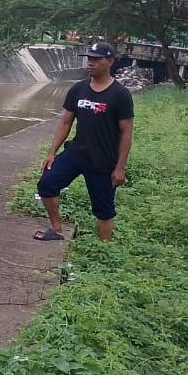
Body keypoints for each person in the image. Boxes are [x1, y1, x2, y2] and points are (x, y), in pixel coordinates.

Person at [34, 41, 134, 242]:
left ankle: (103, 248)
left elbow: (126, 133)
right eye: (89, 59)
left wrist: (120, 168)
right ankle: (56, 228)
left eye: (96, 59)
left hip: (103, 160)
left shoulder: (120, 94)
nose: (90, 63)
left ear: (110, 61)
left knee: (104, 210)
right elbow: (65, 121)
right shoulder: (78, 89)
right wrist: (52, 152)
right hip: (76, 153)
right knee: (46, 184)